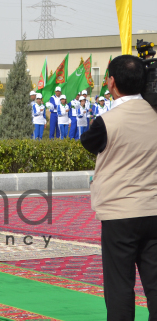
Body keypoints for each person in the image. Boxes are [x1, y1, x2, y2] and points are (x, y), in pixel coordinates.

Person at [80, 55, 157, 320]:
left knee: (120, 286)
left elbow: (88, 143)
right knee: (156, 286)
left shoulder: (106, 121)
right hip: (154, 211)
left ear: (111, 83)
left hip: (120, 214)